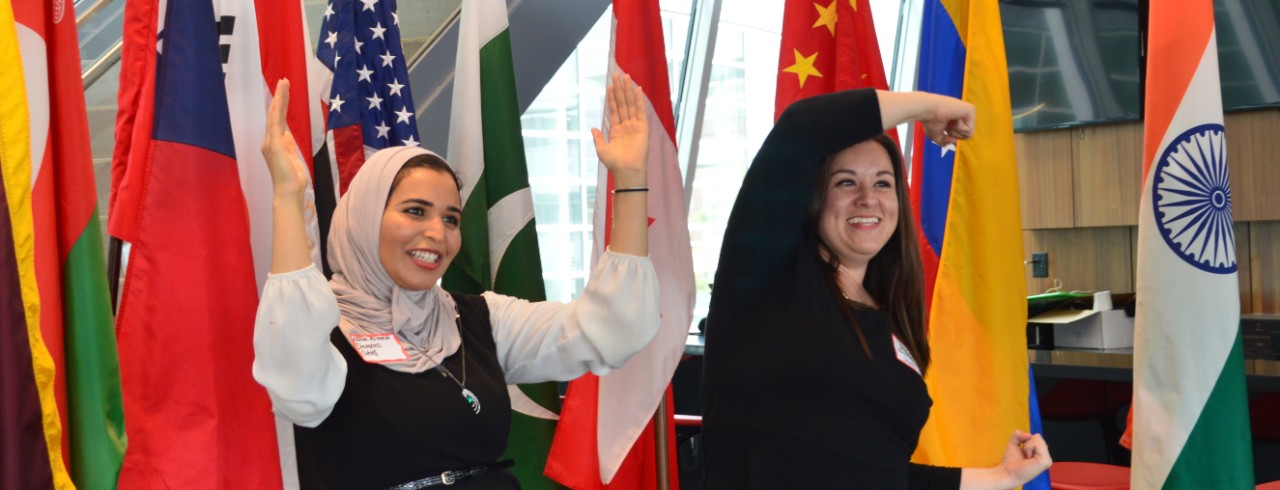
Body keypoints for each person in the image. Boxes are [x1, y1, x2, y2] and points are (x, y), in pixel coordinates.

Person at [252, 73, 658, 489]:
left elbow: (610, 331)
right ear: (365, 219)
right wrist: (288, 194)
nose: (438, 232)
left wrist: (629, 180)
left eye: (451, 218)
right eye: (415, 211)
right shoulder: (318, 328)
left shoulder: (480, 318)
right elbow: (298, 391)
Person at [699, 88, 1052, 489]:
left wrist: (1003, 476)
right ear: (815, 197)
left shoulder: (890, 320)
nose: (868, 199)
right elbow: (801, 127)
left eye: (883, 184)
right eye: (846, 182)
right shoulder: (766, 278)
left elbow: (884, 473)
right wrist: (929, 108)